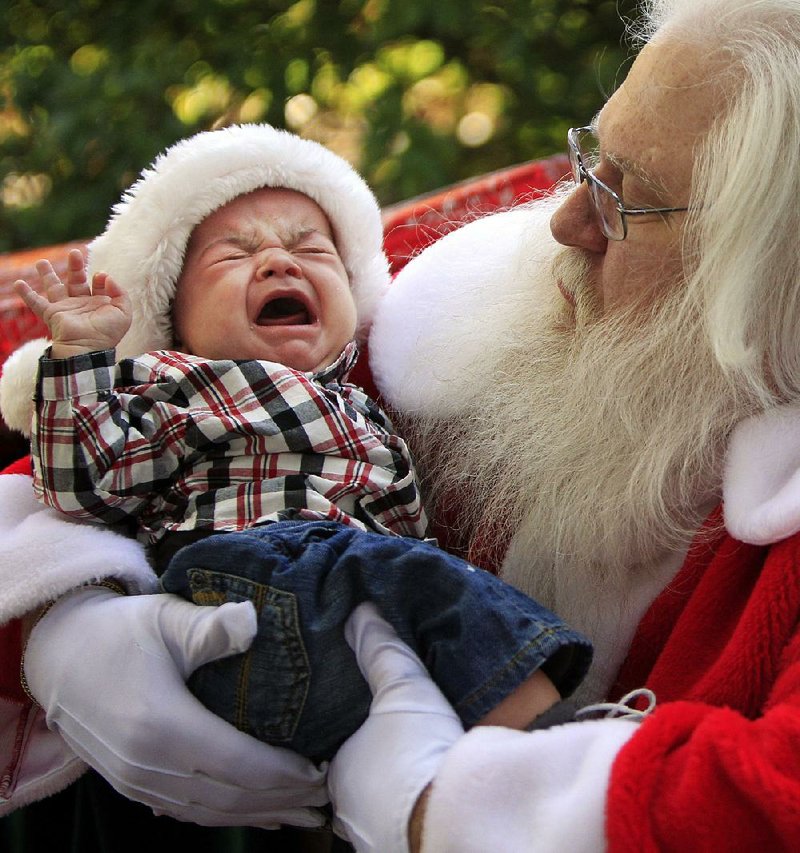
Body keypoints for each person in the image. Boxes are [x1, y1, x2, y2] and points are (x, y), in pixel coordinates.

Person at [1, 0, 797, 847]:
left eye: (628, 196)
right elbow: (94, 456)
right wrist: (64, 627)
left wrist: (430, 805)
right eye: (592, 158)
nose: (565, 220)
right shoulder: (478, 305)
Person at [5, 123, 590, 772]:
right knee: (431, 586)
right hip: (240, 581)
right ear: (177, 322)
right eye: (232, 255)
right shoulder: (172, 384)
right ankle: (556, 749)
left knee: (436, 592)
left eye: (311, 249)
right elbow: (81, 483)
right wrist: (83, 358)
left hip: (343, 605)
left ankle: (507, 767)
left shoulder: (369, 402)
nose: (279, 262)